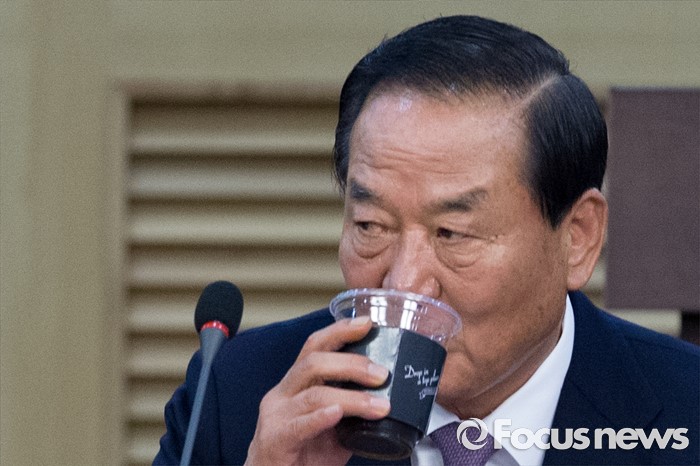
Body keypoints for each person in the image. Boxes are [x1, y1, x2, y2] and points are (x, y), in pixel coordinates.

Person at [154, 15, 699, 466]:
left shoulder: (685, 413)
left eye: (452, 233)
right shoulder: (237, 396)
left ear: (576, 238)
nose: (404, 285)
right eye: (371, 226)